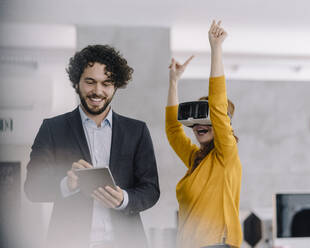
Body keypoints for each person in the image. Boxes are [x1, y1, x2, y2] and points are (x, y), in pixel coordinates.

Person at [24, 44, 160, 248]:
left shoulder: (137, 131)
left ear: (116, 86)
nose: (98, 91)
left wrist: (124, 199)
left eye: (106, 83)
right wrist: (66, 184)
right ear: (77, 83)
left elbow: (151, 190)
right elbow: (32, 188)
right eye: (90, 82)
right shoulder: (52, 129)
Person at [165, 21, 242, 248]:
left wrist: (216, 48)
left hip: (217, 243)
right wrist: (173, 82)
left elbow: (218, 108)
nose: (200, 124)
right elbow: (172, 131)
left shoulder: (226, 155)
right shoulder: (195, 160)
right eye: (197, 120)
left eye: (207, 120)